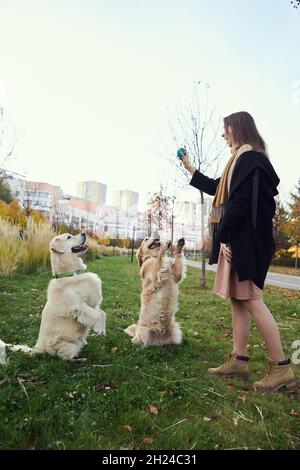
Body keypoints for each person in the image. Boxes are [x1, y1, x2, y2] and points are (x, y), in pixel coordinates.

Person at [180, 111, 297, 392]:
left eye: (226, 129)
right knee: (238, 299)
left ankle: (281, 368)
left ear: (237, 128)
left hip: (245, 243)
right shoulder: (241, 161)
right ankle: (239, 359)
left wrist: (224, 236)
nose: (223, 135)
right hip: (240, 240)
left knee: (253, 300)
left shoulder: (251, 160)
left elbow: (242, 203)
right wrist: (189, 167)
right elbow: (216, 188)